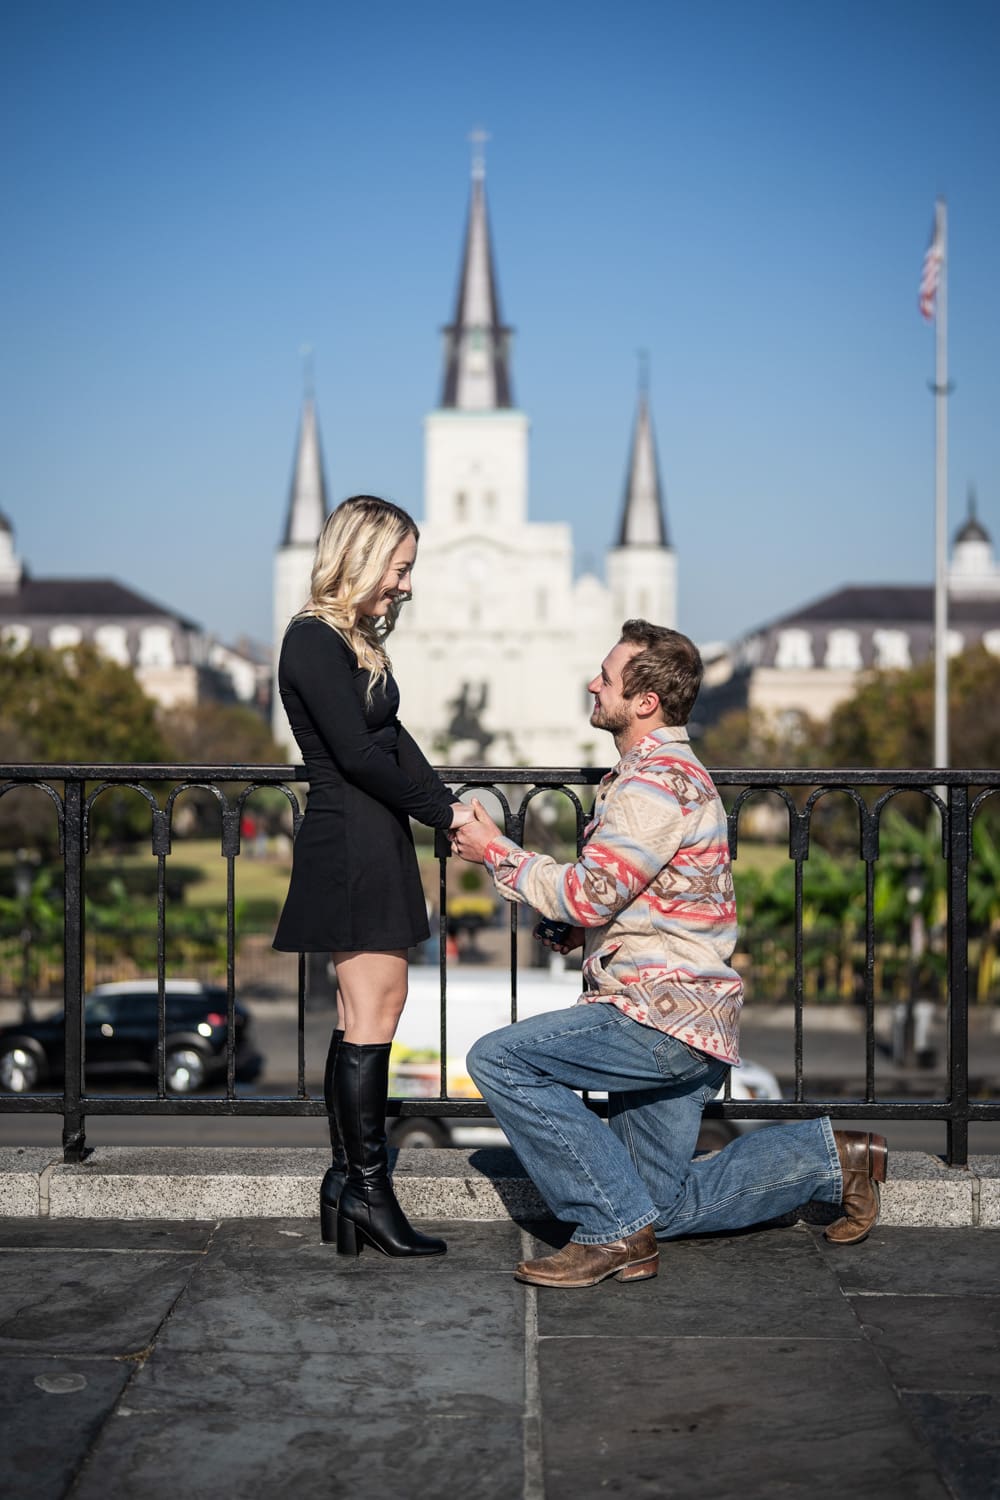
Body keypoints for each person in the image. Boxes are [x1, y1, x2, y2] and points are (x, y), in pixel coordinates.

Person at [451, 620, 888, 1288]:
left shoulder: (653, 783)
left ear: (645, 701)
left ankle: (610, 1233)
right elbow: (653, 894)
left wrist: (497, 853)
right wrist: (586, 934)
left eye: (606, 676)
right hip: (689, 1015)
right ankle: (832, 1156)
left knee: (500, 1059)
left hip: (657, 1014)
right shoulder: (662, 776)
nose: (592, 684)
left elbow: (590, 892)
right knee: (662, 1204)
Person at [273, 494, 472, 1259]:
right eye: (401, 566)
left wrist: (447, 811)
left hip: (371, 837)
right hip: (350, 842)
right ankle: (367, 1189)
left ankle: (347, 1183)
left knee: (366, 1014)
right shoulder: (313, 641)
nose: (407, 584)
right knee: (374, 1012)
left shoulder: (348, 641)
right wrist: (442, 814)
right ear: (361, 558)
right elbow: (358, 757)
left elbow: (392, 736)